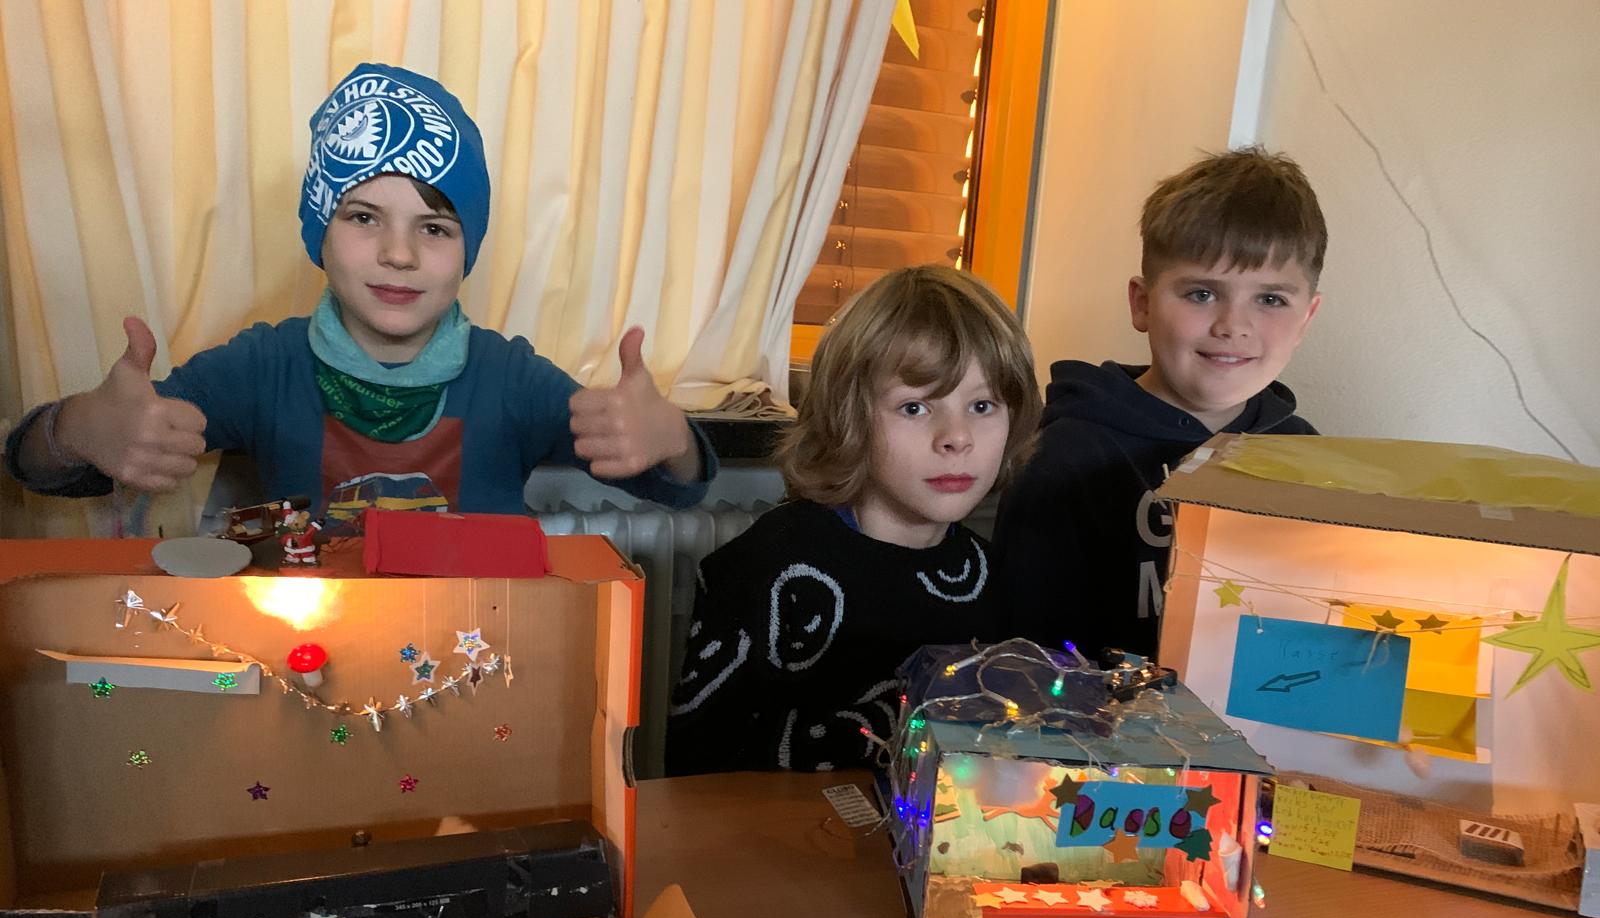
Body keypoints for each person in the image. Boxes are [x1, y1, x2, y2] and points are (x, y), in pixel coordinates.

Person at [3, 63, 712, 533]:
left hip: (482, 667)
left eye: (434, 227)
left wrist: (673, 438)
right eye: (364, 217)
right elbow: (35, 467)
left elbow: (679, 487)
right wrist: (76, 428)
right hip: (317, 673)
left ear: (467, 248)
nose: (399, 254)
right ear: (320, 231)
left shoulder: (512, 380)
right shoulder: (263, 368)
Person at [665, 266, 1041, 775]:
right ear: (849, 417)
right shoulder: (769, 568)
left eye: (981, 405)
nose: (957, 437)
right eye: (914, 407)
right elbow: (695, 768)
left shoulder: (992, 576)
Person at [991, 147, 1325, 660]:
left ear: (1306, 319)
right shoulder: (1064, 460)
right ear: (1142, 303)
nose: (1233, 326)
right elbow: (1030, 659)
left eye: (1270, 299)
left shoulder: (1312, 462)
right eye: (1201, 294)